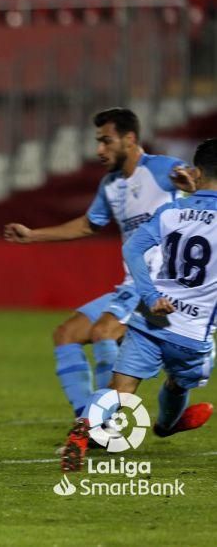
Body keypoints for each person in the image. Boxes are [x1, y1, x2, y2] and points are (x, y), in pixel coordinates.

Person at [4, 108, 193, 418]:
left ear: (129, 139)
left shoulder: (162, 170)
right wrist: (32, 235)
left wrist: (191, 182)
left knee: (104, 331)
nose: (99, 150)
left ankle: (106, 420)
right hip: (131, 285)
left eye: (106, 141)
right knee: (66, 335)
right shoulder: (111, 185)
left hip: (161, 284)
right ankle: (86, 418)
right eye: (98, 142)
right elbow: (88, 225)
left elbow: (192, 177)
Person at [60, 138, 217, 471]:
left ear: (198, 172)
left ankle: (81, 435)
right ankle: (165, 426)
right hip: (192, 333)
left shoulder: (172, 211)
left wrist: (148, 296)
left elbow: (132, 250)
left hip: (150, 320)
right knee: (179, 382)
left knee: (121, 389)